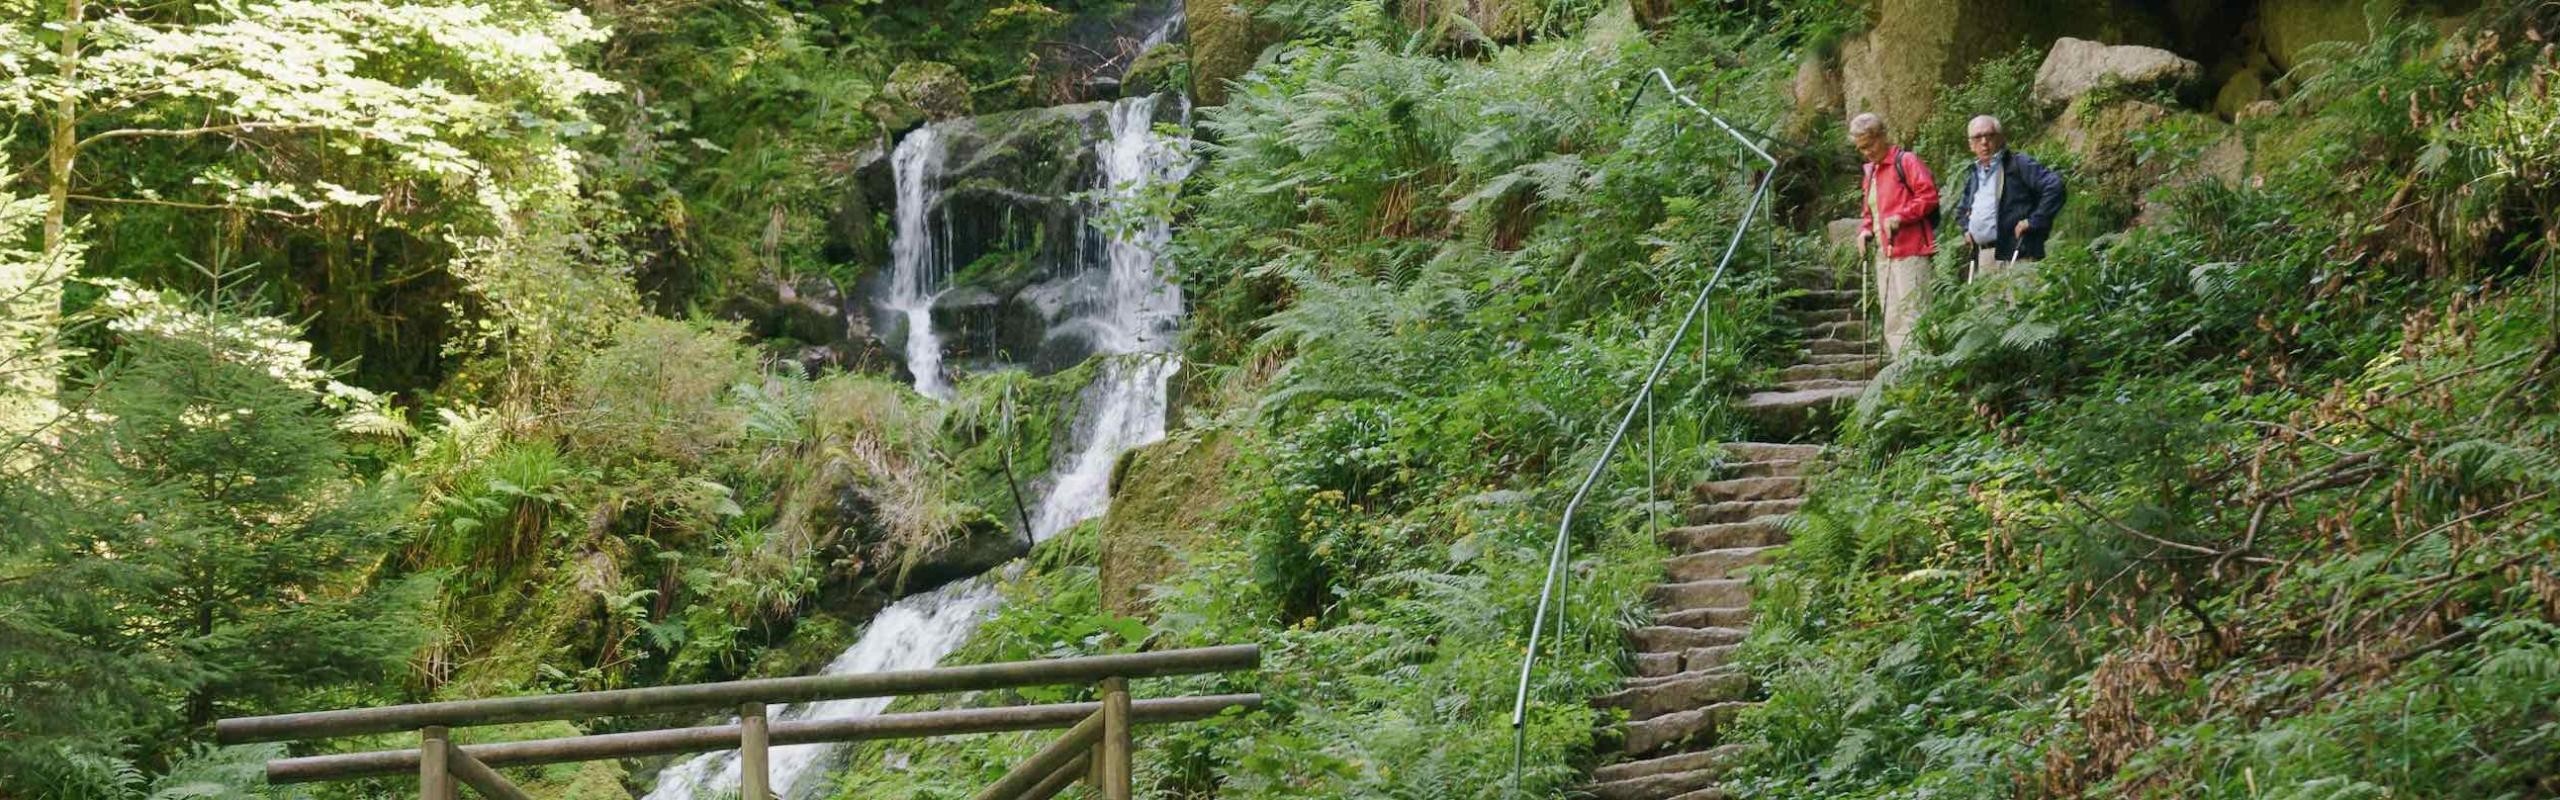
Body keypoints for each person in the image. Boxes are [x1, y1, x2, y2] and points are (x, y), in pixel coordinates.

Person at [1851, 113, 1937, 356]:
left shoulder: (1906, 161)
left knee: (1916, 313)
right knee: (1892, 319)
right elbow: (1869, 211)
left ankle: (1926, 368)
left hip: (1910, 250)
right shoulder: (1871, 172)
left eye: (1869, 145)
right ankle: (1905, 368)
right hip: (1884, 254)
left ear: (1882, 136)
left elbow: (1928, 196)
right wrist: (1865, 230)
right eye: (1861, 148)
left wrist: (1902, 216)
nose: (1866, 152)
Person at [1953, 115, 2065, 282]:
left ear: (2000, 138)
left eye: (1989, 135)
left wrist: (2033, 221)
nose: (1984, 142)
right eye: (1977, 137)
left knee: (2021, 305)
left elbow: (2055, 186)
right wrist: (1966, 229)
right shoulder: (1975, 175)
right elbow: (1962, 210)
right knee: (1991, 308)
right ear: (1971, 145)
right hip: (1985, 257)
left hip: (2017, 253)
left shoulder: (2017, 164)